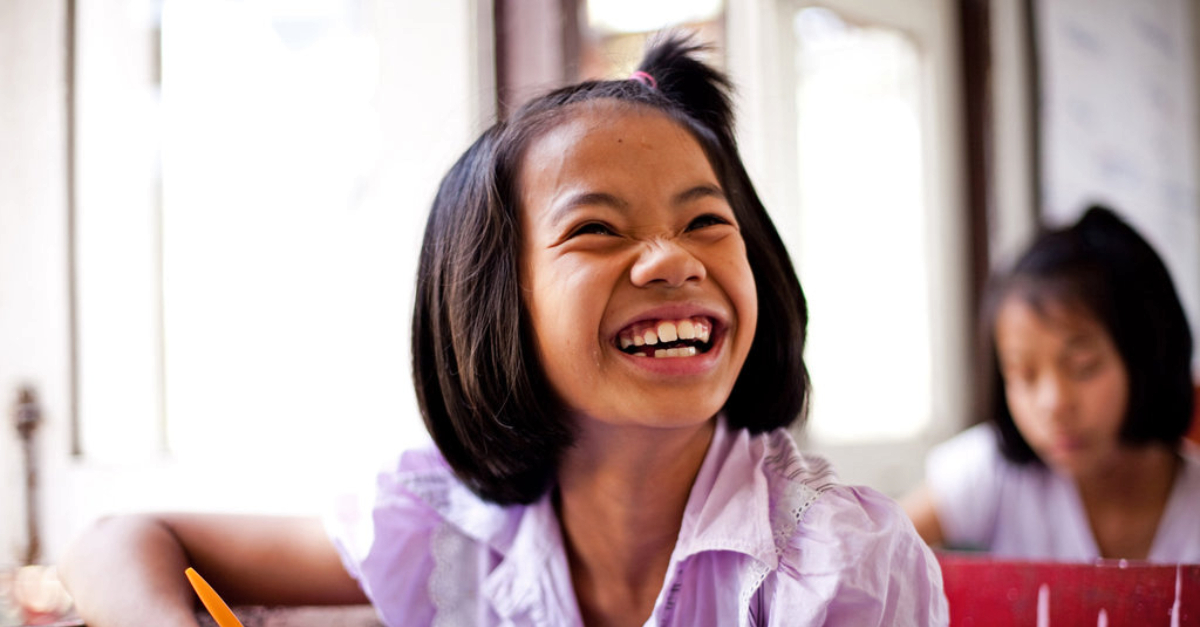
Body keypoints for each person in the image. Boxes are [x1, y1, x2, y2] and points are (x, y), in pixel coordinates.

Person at [60, 34, 947, 626]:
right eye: (597, 229)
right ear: (496, 308)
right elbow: (121, 538)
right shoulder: (446, 522)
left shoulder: (838, 567)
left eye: (707, 223)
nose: (673, 260)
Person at [904, 205, 1200, 562]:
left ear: (1148, 355)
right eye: (1024, 374)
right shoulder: (993, 475)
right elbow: (864, 562)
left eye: (1083, 367)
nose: (1053, 403)